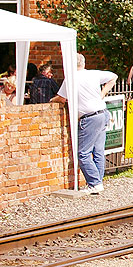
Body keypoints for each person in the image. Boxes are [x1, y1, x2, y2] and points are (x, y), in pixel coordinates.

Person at [51, 54, 117, 194]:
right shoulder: (93, 74)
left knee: (83, 153)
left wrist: (52, 100)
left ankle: (95, 183)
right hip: (102, 113)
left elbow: (62, 98)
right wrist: (102, 94)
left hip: (89, 118)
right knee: (98, 151)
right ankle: (98, 182)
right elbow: (113, 77)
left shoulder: (71, 78)